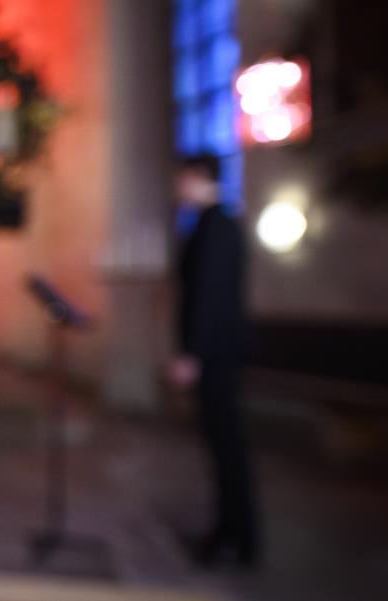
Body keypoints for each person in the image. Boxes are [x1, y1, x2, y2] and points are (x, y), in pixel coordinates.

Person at [169, 154, 259, 567]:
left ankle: (237, 537)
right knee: (221, 447)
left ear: (199, 178)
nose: (177, 189)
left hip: (216, 355)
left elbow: (209, 299)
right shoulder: (211, 225)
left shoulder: (217, 227)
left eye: (182, 180)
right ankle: (230, 532)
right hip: (216, 353)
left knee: (227, 448)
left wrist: (193, 353)